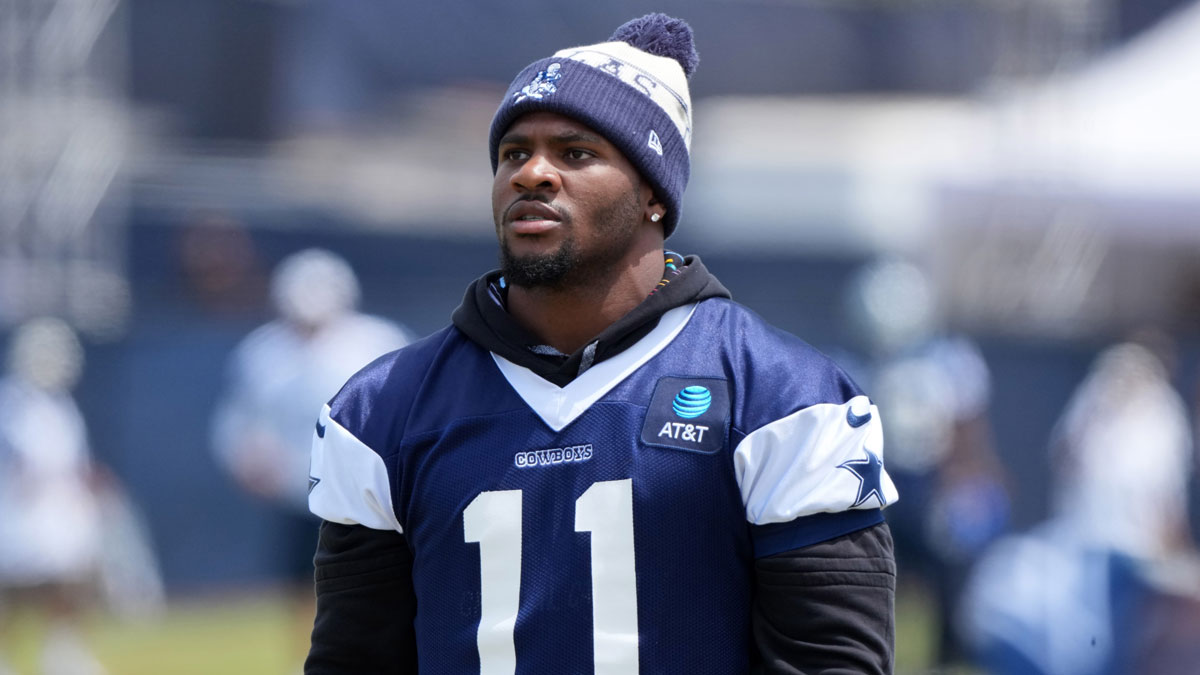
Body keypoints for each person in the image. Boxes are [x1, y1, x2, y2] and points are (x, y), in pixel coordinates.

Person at [305, 14, 898, 674]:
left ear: (652, 194)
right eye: (513, 153)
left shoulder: (781, 397)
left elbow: (830, 661)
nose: (532, 173)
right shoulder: (382, 412)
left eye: (575, 153)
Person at [211, 248, 412, 586]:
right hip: (295, 491)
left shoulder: (378, 342)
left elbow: (407, 411)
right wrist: (242, 458)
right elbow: (239, 419)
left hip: (368, 490)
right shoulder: (262, 351)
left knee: (374, 579)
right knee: (308, 582)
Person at [0, 318, 106, 675]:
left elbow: (73, 461)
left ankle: (61, 652)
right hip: (15, 510)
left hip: (60, 511)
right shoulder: (11, 402)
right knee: (11, 591)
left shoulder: (62, 406)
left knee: (72, 582)